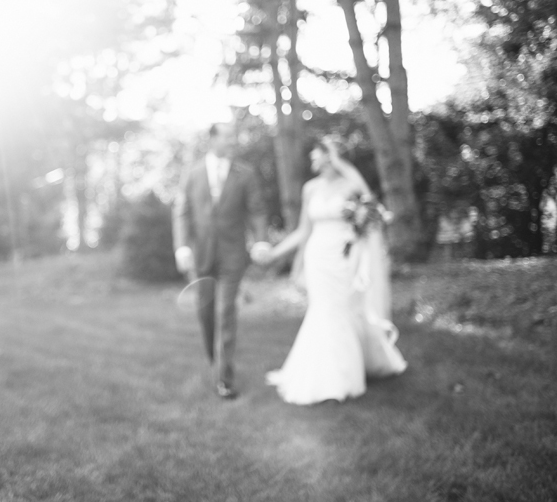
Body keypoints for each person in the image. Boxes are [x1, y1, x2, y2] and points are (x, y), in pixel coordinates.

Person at [254, 136, 406, 405]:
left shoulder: (350, 184)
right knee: (323, 311)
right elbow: (303, 231)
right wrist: (275, 253)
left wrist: (340, 162)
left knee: (343, 310)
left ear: (329, 156)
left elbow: (369, 199)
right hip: (318, 257)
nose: (312, 158)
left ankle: (349, 372)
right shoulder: (310, 188)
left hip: (344, 257)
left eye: (317, 153)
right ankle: (330, 376)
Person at [173, 122, 271, 400]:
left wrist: (261, 239)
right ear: (212, 139)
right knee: (205, 313)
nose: (233, 142)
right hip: (202, 255)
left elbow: (257, 210)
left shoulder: (245, 174)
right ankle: (214, 360)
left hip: (232, 255)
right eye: (227, 137)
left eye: (234, 137)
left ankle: (224, 379)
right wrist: (181, 247)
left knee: (226, 313)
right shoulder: (192, 174)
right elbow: (181, 212)